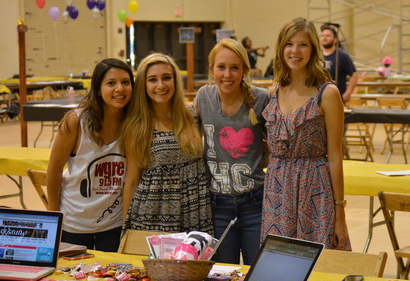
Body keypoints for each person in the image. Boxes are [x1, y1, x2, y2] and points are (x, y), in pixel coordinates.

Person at [261, 17, 351, 251]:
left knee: (317, 266)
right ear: (281, 48)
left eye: (303, 44)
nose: (295, 51)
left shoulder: (327, 93)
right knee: (277, 266)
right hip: (278, 190)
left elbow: (334, 156)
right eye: (289, 44)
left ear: (313, 49)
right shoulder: (275, 90)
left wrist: (339, 213)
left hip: (314, 189)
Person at [195, 38, 269, 265]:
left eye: (235, 67)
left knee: (255, 271)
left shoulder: (261, 98)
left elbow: (273, 145)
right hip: (217, 203)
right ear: (211, 70)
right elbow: (195, 141)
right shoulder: (204, 97)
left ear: (245, 70)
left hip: (254, 201)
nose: (228, 74)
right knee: (222, 273)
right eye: (221, 67)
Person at [47, 58, 133, 251]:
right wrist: (53, 218)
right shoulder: (76, 121)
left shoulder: (133, 124)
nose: (120, 89)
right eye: (111, 83)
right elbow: (53, 170)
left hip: (113, 225)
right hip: (73, 223)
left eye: (125, 82)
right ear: (98, 88)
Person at [121, 53, 212, 235]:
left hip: (195, 208)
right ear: (143, 85)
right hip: (154, 214)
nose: (160, 85)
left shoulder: (192, 115)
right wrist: (126, 231)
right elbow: (131, 182)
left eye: (167, 78)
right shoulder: (138, 126)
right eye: (152, 80)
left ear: (175, 81)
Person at [320, 24, 358, 103]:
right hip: (319, 98)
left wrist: (348, 92)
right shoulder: (317, 56)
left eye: (328, 36)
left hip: (337, 98)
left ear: (335, 39)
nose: (324, 38)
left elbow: (354, 75)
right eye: (323, 35)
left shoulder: (342, 56)